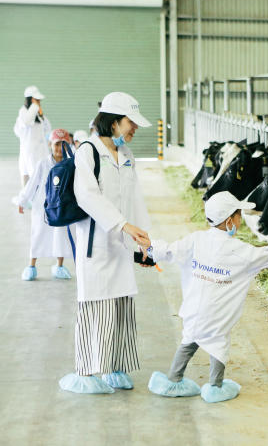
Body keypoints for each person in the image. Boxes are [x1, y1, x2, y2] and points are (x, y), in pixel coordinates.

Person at [140, 191, 268, 403]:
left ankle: (173, 379)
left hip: (193, 310)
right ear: (229, 221)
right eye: (238, 215)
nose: (240, 220)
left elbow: (170, 251)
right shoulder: (239, 250)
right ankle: (215, 387)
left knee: (189, 340)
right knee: (218, 345)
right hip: (217, 316)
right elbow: (264, 256)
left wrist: (150, 246)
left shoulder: (196, 239)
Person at [58, 92, 153, 394]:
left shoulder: (126, 154)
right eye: (130, 123)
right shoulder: (88, 151)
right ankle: (85, 372)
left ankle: (114, 367)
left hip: (121, 245)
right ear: (113, 122)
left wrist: (145, 243)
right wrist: (124, 225)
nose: (134, 129)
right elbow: (87, 196)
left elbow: (135, 199)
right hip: (96, 244)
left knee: (120, 306)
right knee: (95, 307)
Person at [13, 128, 74, 281]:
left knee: (61, 236)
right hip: (43, 208)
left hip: (62, 208)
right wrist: (22, 200)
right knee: (38, 234)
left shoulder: (71, 164)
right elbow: (32, 184)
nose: (60, 148)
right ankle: (31, 266)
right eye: (57, 144)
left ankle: (59, 266)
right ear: (50, 144)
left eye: (64, 144)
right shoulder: (43, 164)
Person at [14, 86, 51, 186]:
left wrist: (41, 115)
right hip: (29, 153)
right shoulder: (23, 112)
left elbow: (48, 128)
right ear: (29, 99)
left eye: (39, 100)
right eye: (36, 100)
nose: (38, 102)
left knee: (41, 181)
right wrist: (34, 107)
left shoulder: (38, 115)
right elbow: (26, 121)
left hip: (40, 153)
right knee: (30, 184)